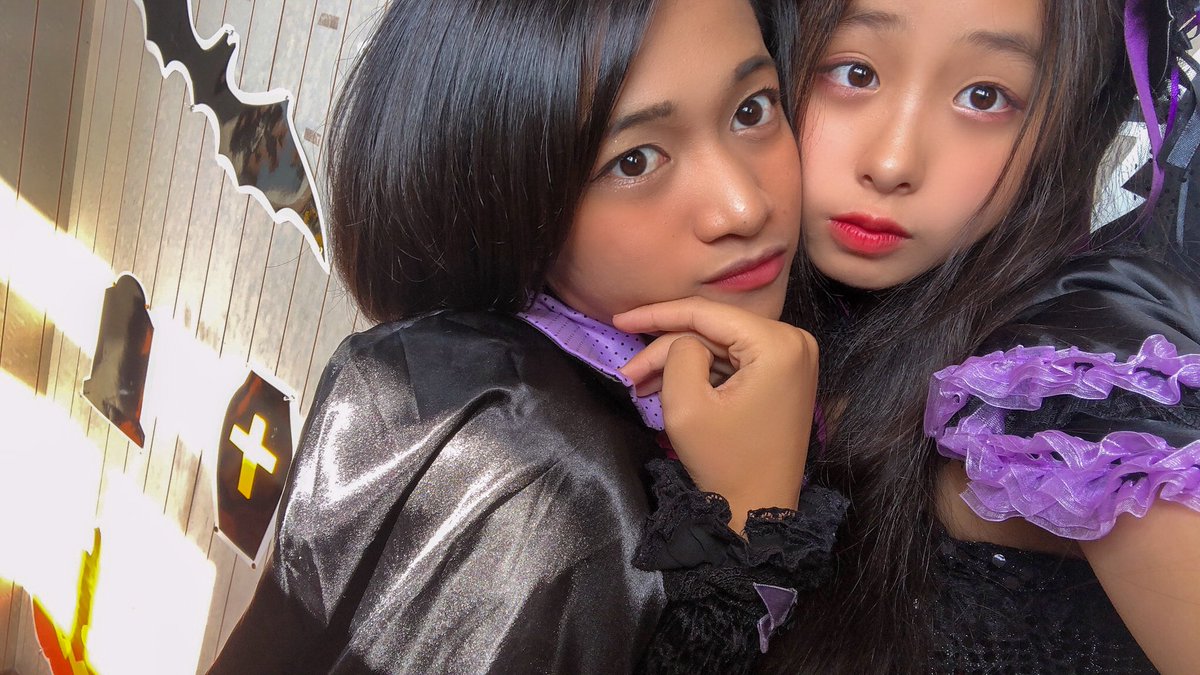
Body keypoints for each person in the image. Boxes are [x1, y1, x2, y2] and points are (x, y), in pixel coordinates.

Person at [207, 0, 846, 672]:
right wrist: (747, 528)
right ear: (502, 198)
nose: (745, 206)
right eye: (634, 161)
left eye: (752, 109)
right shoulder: (534, 469)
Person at [617, 0, 1200, 672]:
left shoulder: (1071, 385)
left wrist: (754, 522)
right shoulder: (772, 313)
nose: (893, 162)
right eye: (854, 73)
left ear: (1063, 130)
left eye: (985, 97)